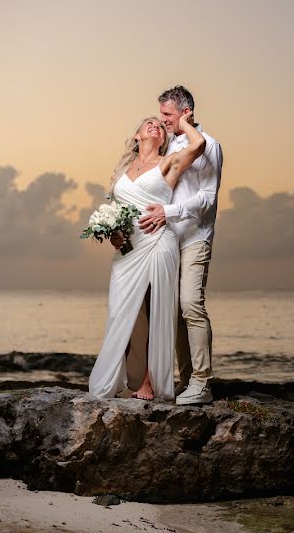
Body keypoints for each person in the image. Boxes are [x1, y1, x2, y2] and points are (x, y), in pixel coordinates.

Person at [112, 86, 223, 405]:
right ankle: (185, 380)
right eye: (160, 115)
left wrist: (168, 212)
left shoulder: (209, 145)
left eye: (167, 115)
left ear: (186, 113)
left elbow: (207, 198)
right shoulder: (167, 143)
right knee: (169, 313)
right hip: (165, 240)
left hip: (194, 237)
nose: (161, 120)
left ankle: (202, 381)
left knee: (191, 305)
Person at [88, 112, 205, 401]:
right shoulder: (124, 169)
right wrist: (113, 233)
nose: (155, 125)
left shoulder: (167, 163)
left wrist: (184, 123)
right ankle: (118, 378)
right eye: (148, 123)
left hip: (157, 242)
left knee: (157, 312)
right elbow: (115, 210)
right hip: (128, 249)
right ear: (137, 135)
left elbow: (198, 143)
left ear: (164, 139)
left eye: (160, 125)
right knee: (120, 313)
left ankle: (149, 384)